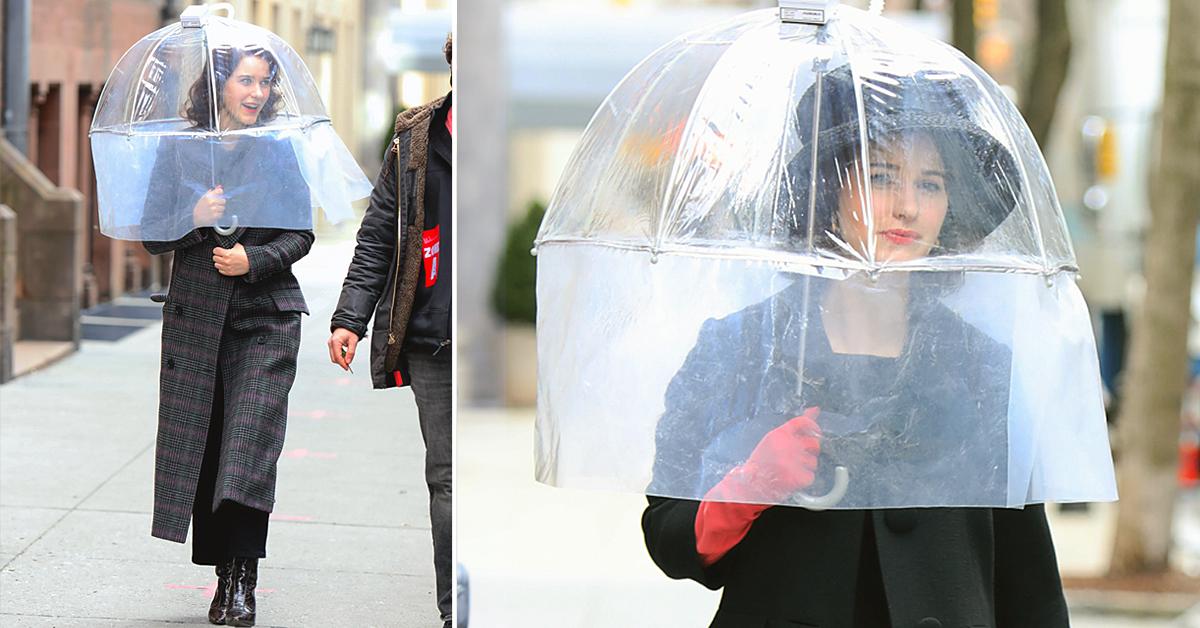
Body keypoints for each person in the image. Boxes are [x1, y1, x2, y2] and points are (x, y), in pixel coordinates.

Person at [641, 66, 1071, 627]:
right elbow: (670, 541)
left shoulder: (982, 367)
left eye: (931, 184)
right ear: (830, 189)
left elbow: (1028, 582)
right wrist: (750, 484)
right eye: (881, 175)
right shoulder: (745, 346)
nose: (908, 207)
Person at [143, 43, 312, 628]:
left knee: (248, 448)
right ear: (220, 86)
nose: (257, 93)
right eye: (246, 80)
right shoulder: (180, 151)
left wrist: (255, 260)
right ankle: (222, 571)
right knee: (211, 448)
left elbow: (301, 236)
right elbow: (150, 235)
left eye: (265, 83)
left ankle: (242, 582)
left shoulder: (279, 151)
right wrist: (190, 218)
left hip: (265, 318)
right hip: (196, 321)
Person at [328, 34, 453, 628]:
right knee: (447, 478)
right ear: (453, 67)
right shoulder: (414, 139)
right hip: (431, 334)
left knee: (479, 481)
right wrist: (351, 316)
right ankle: (457, 608)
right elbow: (379, 233)